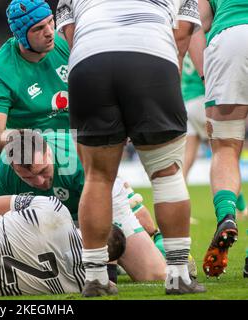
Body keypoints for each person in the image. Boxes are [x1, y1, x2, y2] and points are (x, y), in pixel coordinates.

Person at [56, 0, 206, 296]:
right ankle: (177, 274)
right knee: (167, 174)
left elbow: (71, 34)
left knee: (97, 178)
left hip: (89, 60)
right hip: (151, 56)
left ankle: (97, 277)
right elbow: (182, 33)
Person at [0, 130, 166, 282]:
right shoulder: (2, 170)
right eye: (28, 178)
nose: (39, 182)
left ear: (49, 152)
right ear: (13, 167)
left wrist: (107, 265)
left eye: (43, 171)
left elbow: (103, 213)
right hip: (51, 221)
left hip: (99, 202)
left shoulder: (75, 156)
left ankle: (161, 242)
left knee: (153, 274)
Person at [0, 0, 70, 158]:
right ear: (21, 36)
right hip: (32, 163)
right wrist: (31, 139)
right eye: (39, 28)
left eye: (50, 21)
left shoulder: (64, 43)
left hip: (74, 151)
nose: (49, 32)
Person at [196, 0, 248, 278]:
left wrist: (205, 73)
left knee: (226, 147)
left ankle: (227, 214)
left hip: (230, 40)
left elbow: (197, 23)